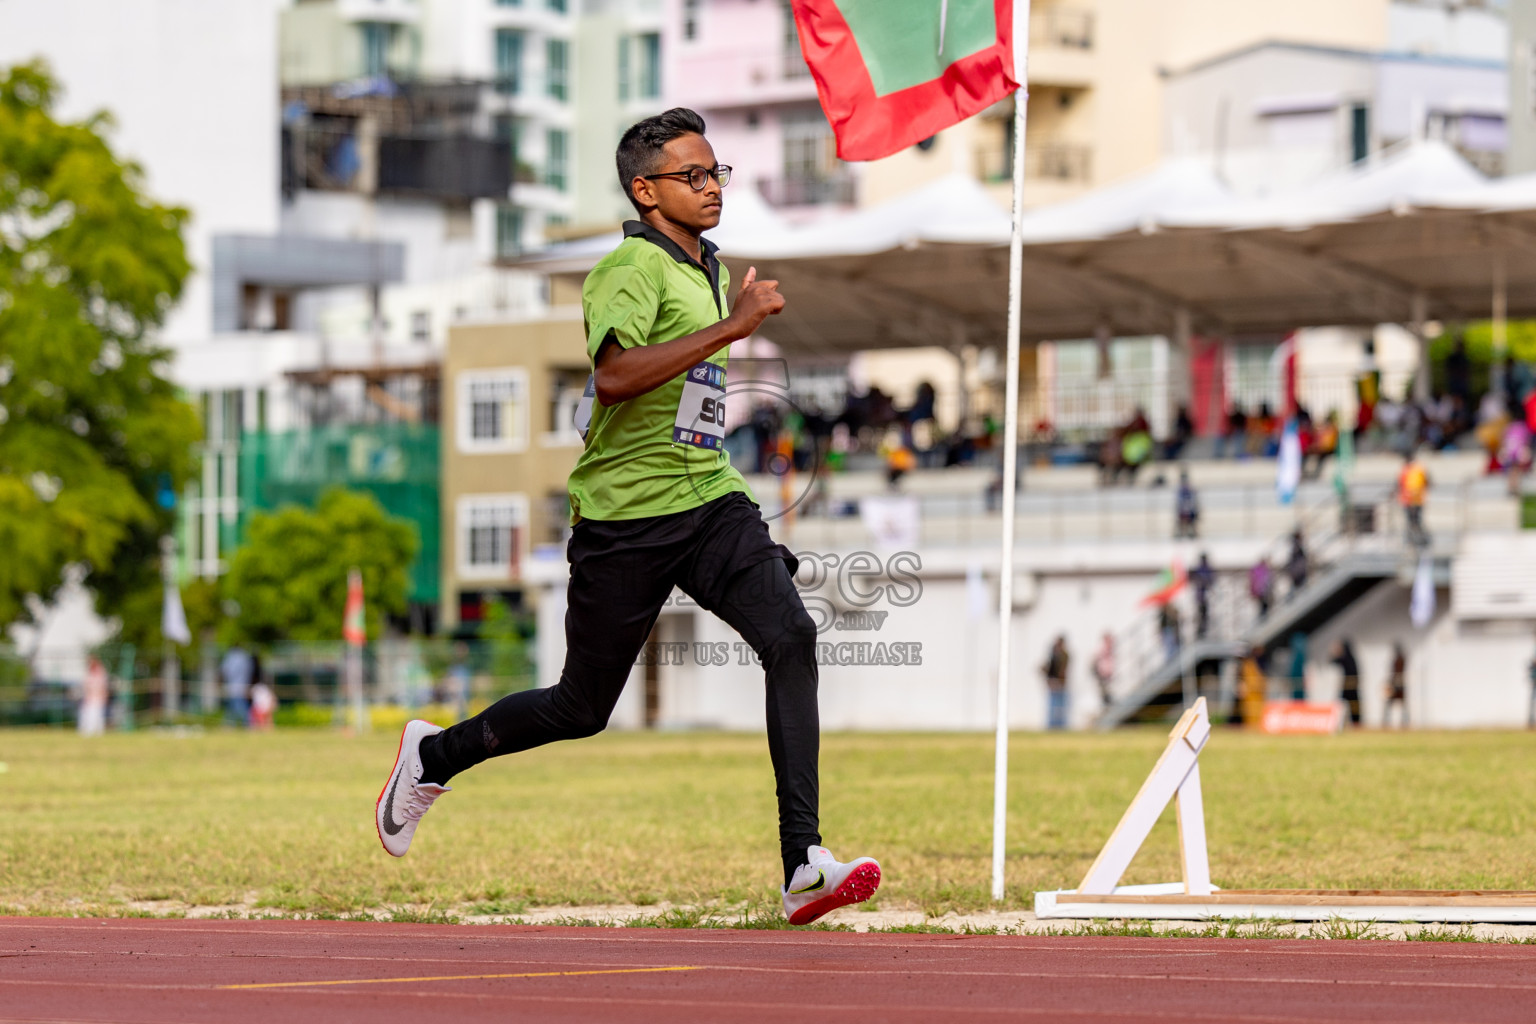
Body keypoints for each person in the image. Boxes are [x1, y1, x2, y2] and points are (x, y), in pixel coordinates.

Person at [374, 108, 879, 927]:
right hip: (624, 520)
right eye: (694, 175)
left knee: (790, 635)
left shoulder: (708, 268)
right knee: (581, 708)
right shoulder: (628, 269)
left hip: (709, 501)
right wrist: (734, 326)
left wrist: (728, 319)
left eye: (717, 173)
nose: (712, 187)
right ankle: (434, 754)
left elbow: (694, 404)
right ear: (646, 191)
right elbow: (614, 380)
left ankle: (803, 864)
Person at [1398, 449, 1430, 548]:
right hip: (1408, 500)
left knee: (1416, 520)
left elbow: (1426, 482)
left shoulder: (1416, 469)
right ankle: (1413, 540)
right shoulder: (1407, 470)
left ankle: (1419, 540)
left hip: (1415, 500)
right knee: (1411, 520)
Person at [220, 644, 253, 728]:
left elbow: (225, 671)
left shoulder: (230, 657)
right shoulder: (245, 657)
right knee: (239, 707)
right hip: (243, 686)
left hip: (233, 687)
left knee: (235, 707)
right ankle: (245, 724)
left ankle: (233, 725)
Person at [1330, 639, 1361, 726]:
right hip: (1351, 686)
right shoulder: (1351, 658)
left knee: (1346, 705)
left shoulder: (1346, 658)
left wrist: (1334, 651)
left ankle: (1346, 723)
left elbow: (1333, 660)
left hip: (1349, 687)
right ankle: (1353, 723)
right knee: (1353, 706)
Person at [1042, 635, 1070, 730]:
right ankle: (1052, 725)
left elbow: (1062, 670)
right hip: (1053, 682)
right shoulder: (1053, 655)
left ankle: (1060, 725)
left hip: (1060, 683)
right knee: (1053, 706)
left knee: (1060, 706)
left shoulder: (1064, 655)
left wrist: (1058, 680)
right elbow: (1050, 669)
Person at [78, 656, 109, 737]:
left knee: (96, 715)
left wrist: (103, 696)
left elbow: (102, 687)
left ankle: (96, 732)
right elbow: (86, 686)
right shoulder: (89, 674)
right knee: (88, 715)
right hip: (90, 698)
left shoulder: (100, 673)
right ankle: (88, 731)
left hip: (97, 698)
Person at [1190, 553, 1215, 639]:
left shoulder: (1203, 569)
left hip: (1203, 595)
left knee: (1204, 614)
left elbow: (1210, 580)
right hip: (1201, 595)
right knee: (1202, 614)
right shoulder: (1203, 569)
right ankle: (1201, 631)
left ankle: (1203, 631)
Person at [1384, 642, 1408, 728]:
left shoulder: (1400, 660)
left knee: (1401, 703)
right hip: (1397, 683)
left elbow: (1397, 672)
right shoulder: (1400, 659)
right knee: (1391, 703)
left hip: (1398, 683)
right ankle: (1387, 722)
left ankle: (1404, 722)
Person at [1092, 632, 1116, 711]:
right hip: (1102, 672)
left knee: (1106, 690)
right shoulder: (1102, 648)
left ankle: (1107, 704)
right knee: (1104, 690)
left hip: (1106, 673)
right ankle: (1106, 705)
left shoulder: (1109, 648)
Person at [1175, 469, 1200, 540]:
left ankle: (1192, 532)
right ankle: (1181, 532)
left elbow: (1193, 501)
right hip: (1183, 510)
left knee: (1192, 519)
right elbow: (1179, 502)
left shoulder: (1191, 490)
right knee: (1181, 520)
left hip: (1190, 510)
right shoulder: (1180, 490)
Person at [1285, 531, 1308, 597]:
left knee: (1296, 588)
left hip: (1297, 571)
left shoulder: (1294, 546)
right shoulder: (1297, 546)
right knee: (1301, 588)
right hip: (1299, 571)